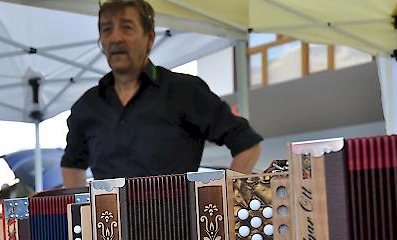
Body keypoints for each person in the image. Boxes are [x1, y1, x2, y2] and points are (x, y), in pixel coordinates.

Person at [61, 0, 262, 188]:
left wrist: (224, 197)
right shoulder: (86, 106)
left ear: (149, 38)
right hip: (109, 225)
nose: (115, 38)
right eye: (107, 29)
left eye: (127, 27)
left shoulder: (186, 91)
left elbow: (247, 144)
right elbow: (72, 164)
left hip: (177, 224)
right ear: (101, 41)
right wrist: (82, 215)